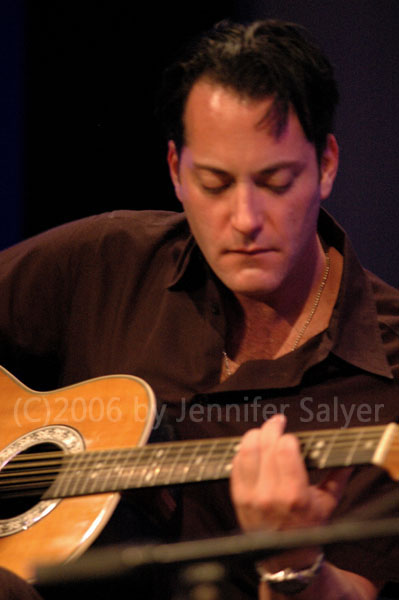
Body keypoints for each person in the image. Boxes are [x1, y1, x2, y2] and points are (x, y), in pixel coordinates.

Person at [0, 18, 398, 600]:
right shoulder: (109, 259)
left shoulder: (385, 374)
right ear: (175, 172)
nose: (245, 219)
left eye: (276, 181)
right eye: (214, 183)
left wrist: (293, 561)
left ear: (327, 166)